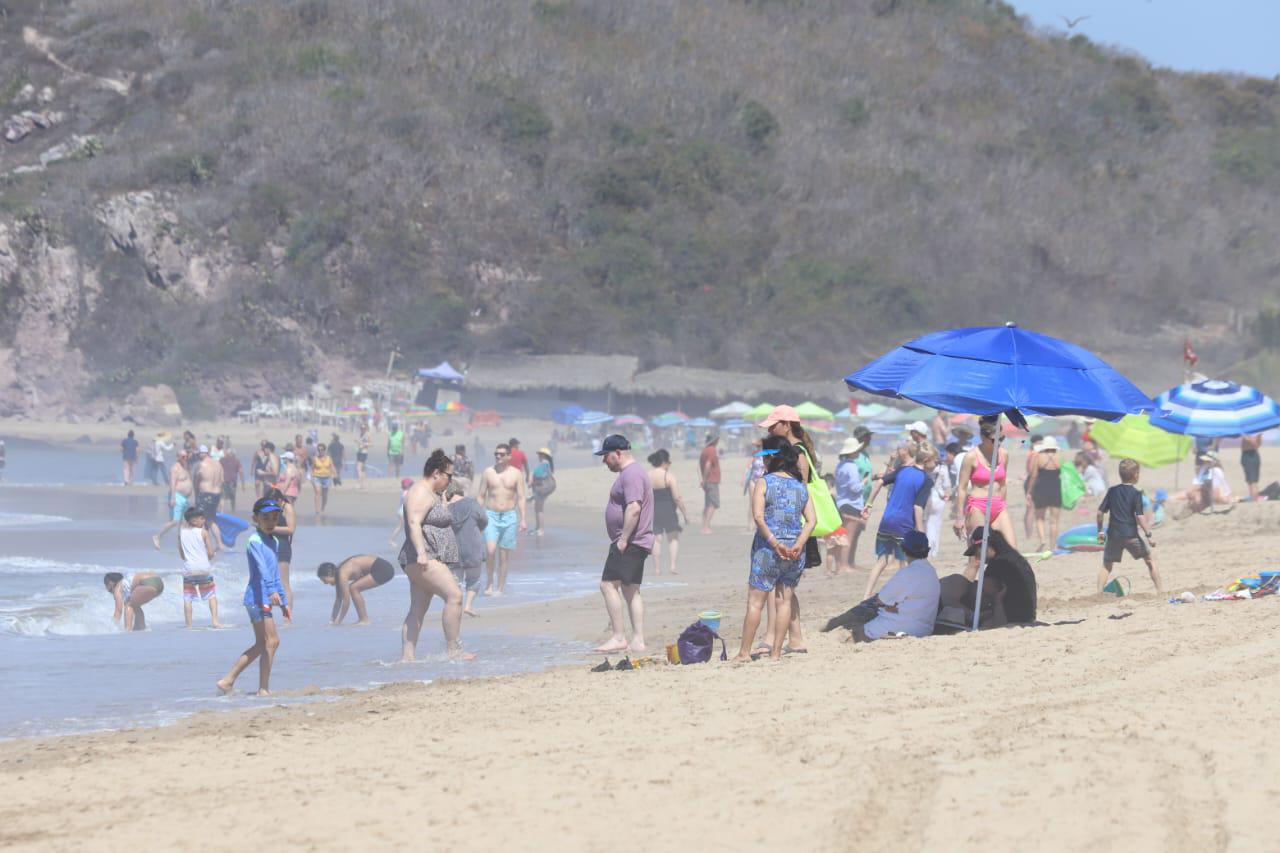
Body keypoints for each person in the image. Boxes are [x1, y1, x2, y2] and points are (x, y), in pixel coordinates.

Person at [731, 438, 815, 662]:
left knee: (755, 602)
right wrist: (798, 543)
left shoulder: (764, 482)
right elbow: (812, 520)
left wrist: (774, 542)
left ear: (770, 458)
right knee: (784, 601)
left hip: (768, 549)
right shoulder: (800, 485)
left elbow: (758, 516)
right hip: (795, 550)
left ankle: (744, 653)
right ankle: (776, 653)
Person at [755, 405, 821, 654]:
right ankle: (794, 638)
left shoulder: (797, 454)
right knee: (784, 587)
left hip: (794, 529)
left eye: (773, 425)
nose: (770, 430)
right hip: (794, 528)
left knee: (779, 587)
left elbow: (799, 495)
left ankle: (774, 638)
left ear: (786, 424)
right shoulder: (794, 451)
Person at [397, 449, 474, 661]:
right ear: (437, 473)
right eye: (449, 476)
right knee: (455, 596)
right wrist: (422, 553)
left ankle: (408, 658)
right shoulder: (420, 491)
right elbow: (413, 522)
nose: (451, 481)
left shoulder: (432, 493)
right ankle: (454, 650)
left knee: (418, 609)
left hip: (425, 558)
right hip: (423, 557)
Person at [217, 497, 289, 695]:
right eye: (265, 518)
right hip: (257, 597)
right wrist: (272, 591)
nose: (270, 522)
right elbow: (262, 569)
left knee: (265, 642)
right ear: (255, 518)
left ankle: (233, 682)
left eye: (274, 518)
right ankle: (257, 687)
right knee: (271, 641)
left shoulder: (273, 540)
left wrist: (283, 600)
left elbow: (275, 572)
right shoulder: (254, 540)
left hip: (265, 596)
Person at [594, 435, 654, 655]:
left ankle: (619, 637)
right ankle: (637, 640)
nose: (604, 462)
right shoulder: (631, 473)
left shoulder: (631, 474)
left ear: (618, 453)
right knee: (630, 590)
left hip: (630, 541)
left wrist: (623, 539)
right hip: (634, 541)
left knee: (608, 585)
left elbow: (634, 508)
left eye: (606, 456)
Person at [862, 444, 932, 599]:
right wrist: (921, 534)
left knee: (882, 560)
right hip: (904, 525)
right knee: (907, 563)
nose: (936, 465)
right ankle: (904, 596)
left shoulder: (903, 470)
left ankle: (866, 596)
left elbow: (880, 481)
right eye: (935, 462)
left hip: (887, 521)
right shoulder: (926, 480)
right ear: (927, 460)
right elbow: (917, 507)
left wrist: (869, 504)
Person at [953, 417, 1016, 578]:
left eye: (1001, 438)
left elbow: (1002, 483)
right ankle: (965, 593)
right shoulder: (971, 457)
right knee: (978, 558)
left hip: (998, 507)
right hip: (977, 507)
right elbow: (961, 488)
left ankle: (1002, 593)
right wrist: (959, 518)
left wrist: (1003, 504)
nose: (999, 442)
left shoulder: (1004, 454)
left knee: (1012, 553)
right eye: (994, 440)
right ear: (983, 436)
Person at [848, 530, 939, 642]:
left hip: (903, 628)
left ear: (904, 550)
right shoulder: (931, 571)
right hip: (925, 629)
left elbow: (881, 600)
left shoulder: (907, 573)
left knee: (858, 633)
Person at [1097, 459, 1162, 594]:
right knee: (1149, 560)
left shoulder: (1112, 491)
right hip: (1130, 535)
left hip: (1114, 536)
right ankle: (1160, 591)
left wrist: (1100, 531)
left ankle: (1098, 593)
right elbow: (1139, 516)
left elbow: (1100, 512)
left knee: (1107, 564)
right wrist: (1148, 535)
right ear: (1135, 475)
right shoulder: (1136, 494)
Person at [955, 527, 1038, 625]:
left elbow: (982, 598)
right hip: (1028, 616)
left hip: (1011, 618)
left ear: (985, 546)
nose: (976, 557)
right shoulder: (1016, 559)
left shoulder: (997, 565)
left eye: (976, 552)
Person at [477, 443, 527, 595]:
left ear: (509, 456)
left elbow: (521, 497)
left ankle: (500, 587)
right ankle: (489, 583)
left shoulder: (516, 474)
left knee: (504, 555)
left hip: (509, 516)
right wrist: (478, 515)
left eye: (501, 454)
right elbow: (480, 495)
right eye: (496, 454)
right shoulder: (488, 472)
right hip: (491, 515)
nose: (498, 456)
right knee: (491, 551)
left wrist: (523, 518)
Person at [445, 479, 487, 617]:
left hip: (453, 550)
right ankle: (468, 606)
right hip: (473, 547)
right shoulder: (472, 503)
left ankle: (455, 607)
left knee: (454, 583)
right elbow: (484, 520)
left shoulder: (445, 508)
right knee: (473, 580)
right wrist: (476, 528)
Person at [318, 554, 397, 625]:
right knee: (353, 587)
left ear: (329, 574)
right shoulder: (338, 575)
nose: (325, 583)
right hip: (380, 569)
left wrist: (339, 621)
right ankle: (363, 619)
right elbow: (338, 599)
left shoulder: (342, 573)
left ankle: (364, 620)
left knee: (353, 588)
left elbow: (346, 601)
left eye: (325, 580)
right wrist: (332, 620)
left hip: (384, 569)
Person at [647, 449, 690, 576]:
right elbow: (677, 498)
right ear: (664, 462)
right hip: (669, 510)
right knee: (673, 538)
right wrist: (685, 514)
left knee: (657, 539)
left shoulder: (647, 475)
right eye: (669, 462)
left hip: (654, 510)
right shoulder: (668, 476)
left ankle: (657, 569)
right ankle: (672, 567)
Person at [834, 430, 871, 573]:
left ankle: (840, 565)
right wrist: (865, 481)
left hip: (842, 502)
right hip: (852, 504)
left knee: (841, 536)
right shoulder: (852, 467)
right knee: (848, 537)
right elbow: (855, 488)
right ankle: (844, 566)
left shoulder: (840, 465)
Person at [176, 506, 219, 627]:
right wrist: (212, 555)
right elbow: (210, 553)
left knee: (188, 598)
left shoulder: (182, 533)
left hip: (189, 570)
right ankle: (215, 621)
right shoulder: (203, 532)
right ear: (194, 520)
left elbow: (182, 555)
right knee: (211, 595)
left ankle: (189, 625)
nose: (204, 520)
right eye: (201, 518)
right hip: (203, 569)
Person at [263, 487, 297, 621]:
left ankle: (287, 617)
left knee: (283, 583)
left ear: (279, 500)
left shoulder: (287, 508)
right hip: (268, 545)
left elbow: (291, 529)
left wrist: (269, 528)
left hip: (282, 546)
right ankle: (267, 615)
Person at [1027, 436, 1063, 552]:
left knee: (1040, 518)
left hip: (1041, 489)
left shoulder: (1038, 457)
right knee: (1054, 521)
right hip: (1056, 489)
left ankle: (1042, 540)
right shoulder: (1060, 457)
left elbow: (1033, 475)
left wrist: (1029, 491)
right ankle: (1053, 547)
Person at [153, 450, 193, 548]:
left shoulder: (186, 467)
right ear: (178, 457)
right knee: (174, 521)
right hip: (177, 496)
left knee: (184, 523)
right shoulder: (175, 468)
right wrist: (172, 497)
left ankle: (181, 544)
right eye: (183, 457)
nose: (185, 458)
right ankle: (157, 536)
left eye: (186, 456)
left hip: (185, 498)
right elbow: (172, 483)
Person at [192, 446, 225, 554]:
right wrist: (221, 500)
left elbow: (196, 481)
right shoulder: (218, 464)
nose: (197, 456)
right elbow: (222, 481)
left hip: (205, 494)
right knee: (211, 520)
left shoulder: (201, 465)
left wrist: (196, 496)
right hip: (216, 495)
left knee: (200, 520)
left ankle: (205, 546)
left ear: (203, 453)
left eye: (198, 454)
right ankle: (220, 544)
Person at [920, 445, 950, 558]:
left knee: (925, 524)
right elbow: (947, 485)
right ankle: (933, 551)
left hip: (925, 495)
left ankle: (926, 548)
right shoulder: (943, 468)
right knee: (935, 525)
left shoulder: (925, 467)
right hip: (939, 497)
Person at [529, 448, 556, 536]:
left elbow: (539, 474)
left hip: (541, 489)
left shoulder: (544, 463)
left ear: (543, 455)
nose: (538, 456)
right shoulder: (546, 464)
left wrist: (532, 480)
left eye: (539, 454)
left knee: (539, 509)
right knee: (537, 508)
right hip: (542, 489)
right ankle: (537, 528)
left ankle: (540, 529)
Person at [698, 434, 722, 533]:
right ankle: (706, 527)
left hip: (708, 480)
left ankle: (703, 525)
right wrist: (704, 478)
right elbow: (708, 465)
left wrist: (702, 480)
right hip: (711, 480)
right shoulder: (712, 450)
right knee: (713, 504)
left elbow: (699, 466)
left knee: (708, 504)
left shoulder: (704, 450)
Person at [1022, 434, 1044, 539]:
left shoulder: (1033, 453)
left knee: (1033, 509)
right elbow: (1031, 471)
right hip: (1032, 482)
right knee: (1030, 509)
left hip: (1034, 481)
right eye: (1040, 443)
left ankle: (1029, 535)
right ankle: (1028, 535)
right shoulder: (1034, 453)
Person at [311, 442, 336, 516]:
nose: (320, 451)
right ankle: (317, 510)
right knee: (318, 493)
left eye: (322, 450)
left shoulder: (329, 458)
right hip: (317, 477)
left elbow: (332, 467)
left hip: (327, 478)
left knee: (324, 495)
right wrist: (311, 478)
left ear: (324, 450)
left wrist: (335, 475)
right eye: (319, 450)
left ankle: (323, 507)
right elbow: (312, 469)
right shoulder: (315, 458)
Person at [220, 448, 243, 514]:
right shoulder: (236, 461)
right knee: (232, 497)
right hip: (232, 482)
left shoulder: (222, 460)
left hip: (223, 481)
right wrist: (242, 483)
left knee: (222, 497)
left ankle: (221, 511)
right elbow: (241, 471)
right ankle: (233, 510)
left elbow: (218, 469)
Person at [1241, 433, 1263, 501]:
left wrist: (1247, 437)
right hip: (1248, 454)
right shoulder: (1256, 431)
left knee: (1253, 481)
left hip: (1251, 455)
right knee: (1250, 481)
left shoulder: (1257, 432)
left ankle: (1254, 499)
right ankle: (1253, 498)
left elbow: (1256, 445)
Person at [356, 424, 371, 488]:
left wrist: (363, 445)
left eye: (363, 428)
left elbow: (370, 443)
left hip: (363, 453)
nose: (362, 429)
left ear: (366, 429)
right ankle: (363, 484)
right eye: (361, 428)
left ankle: (360, 483)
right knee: (362, 469)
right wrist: (358, 442)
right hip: (359, 452)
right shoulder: (360, 434)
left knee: (359, 468)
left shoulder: (367, 435)